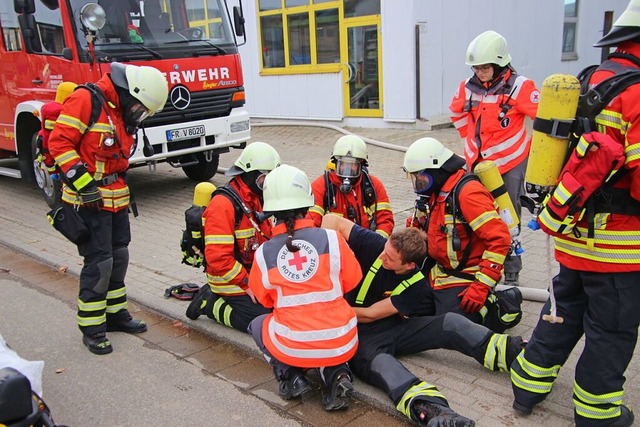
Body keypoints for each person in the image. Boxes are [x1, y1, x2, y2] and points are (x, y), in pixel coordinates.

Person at [510, 2, 640, 425]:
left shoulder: (589, 79)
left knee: (560, 313)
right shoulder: (638, 94)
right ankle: (598, 414)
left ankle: (527, 388)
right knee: (611, 331)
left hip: (570, 234)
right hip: (617, 248)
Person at [322, 213, 526, 426]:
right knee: (383, 364)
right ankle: (432, 410)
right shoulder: (378, 245)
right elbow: (331, 220)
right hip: (358, 335)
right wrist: (324, 263)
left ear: (409, 265)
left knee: (451, 322)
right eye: (385, 252)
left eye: (390, 259)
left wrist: (330, 308)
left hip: (379, 324)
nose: (382, 258)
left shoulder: (416, 286)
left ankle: (513, 351)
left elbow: (371, 313)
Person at [48, 63, 168, 354]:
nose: (140, 115)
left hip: (117, 199)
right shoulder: (86, 100)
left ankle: (116, 315)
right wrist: (84, 185)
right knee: (99, 265)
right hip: (89, 201)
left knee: (119, 257)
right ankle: (92, 328)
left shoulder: (119, 109)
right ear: (131, 94)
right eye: (141, 109)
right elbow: (59, 142)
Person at [247, 164, 362, 411]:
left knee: (257, 324)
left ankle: (291, 377)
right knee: (327, 343)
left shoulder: (265, 253)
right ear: (307, 202)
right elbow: (353, 279)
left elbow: (264, 300)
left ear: (270, 210)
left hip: (292, 343)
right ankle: (338, 376)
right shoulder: (332, 238)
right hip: (341, 338)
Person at [449, 30, 540, 287]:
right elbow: (456, 112)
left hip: (509, 164)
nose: (479, 72)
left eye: (484, 67)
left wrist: (533, 152)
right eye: (476, 67)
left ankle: (511, 270)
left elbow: (544, 121)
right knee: (472, 212)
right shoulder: (467, 88)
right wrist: (469, 138)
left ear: (500, 62)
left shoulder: (521, 87)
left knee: (509, 218)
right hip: (476, 164)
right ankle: (478, 262)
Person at [404, 137, 522, 332]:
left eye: (421, 177)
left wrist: (481, 287)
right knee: (412, 307)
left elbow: (500, 239)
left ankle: (503, 305)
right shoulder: (437, 191)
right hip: (440, 272)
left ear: (436, 170)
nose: (418, 184)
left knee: (453, 325)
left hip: (468, 275)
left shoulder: (467, 193)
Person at [186, 142, 281, 333]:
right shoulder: (223, 205)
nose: (268, 183)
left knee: (281, 308)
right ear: (249, 174)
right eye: (264, 178)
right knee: (260, 322)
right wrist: (247, 283)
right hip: (228, 278)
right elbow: (218, 258)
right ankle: (210, 304)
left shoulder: (256, 196)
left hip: (253, 272)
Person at [308, 135, 394, 238]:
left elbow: (385, 220)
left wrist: (375, 244)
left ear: (361, 165)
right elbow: (311, 223)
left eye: (353, 164)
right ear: (335, 164)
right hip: (334, 248)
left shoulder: (373, 186)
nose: (347, 169)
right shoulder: (321, 186)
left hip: (364, 246)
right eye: (343, 164)